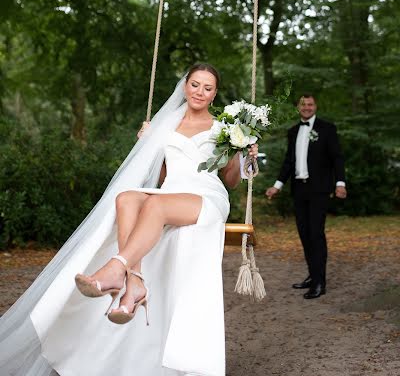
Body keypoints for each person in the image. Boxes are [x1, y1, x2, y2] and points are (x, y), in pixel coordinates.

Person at [0, 62, 258, 376]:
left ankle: (116, 269)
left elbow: (230, 179)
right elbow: (163, 174)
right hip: (172, 191)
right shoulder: (166, 124)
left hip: (206, 196)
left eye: (208, 87)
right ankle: (134, 282)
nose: (200, 92)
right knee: (126, 198)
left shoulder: (225, 127)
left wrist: (246, 154)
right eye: (195, 84)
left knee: (155, 207)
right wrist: (147, 145)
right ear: (185, 85)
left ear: (215, 93)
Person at [266, 94, 346, 299]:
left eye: (310, 104)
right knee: (304, 234)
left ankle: (320, 282)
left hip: (319, 189)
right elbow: (288, 161)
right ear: (298, 107)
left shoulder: (327, 129)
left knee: (316, 234)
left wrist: (340, 183)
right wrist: (277, 186)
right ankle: (312, 275)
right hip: (299, 190)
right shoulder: (293, 131)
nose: (307, 107)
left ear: (315, 106)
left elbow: (337, 157)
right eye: (303, 104)